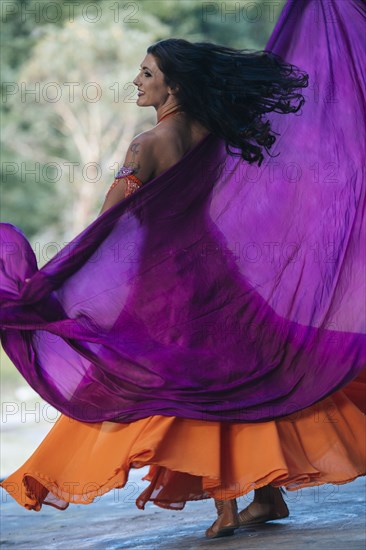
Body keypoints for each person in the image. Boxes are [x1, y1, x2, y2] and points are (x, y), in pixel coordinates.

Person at [1, 0, 365, 542]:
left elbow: (110, 222)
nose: (136, 81)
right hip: (219, 274)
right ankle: (264, 496)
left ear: (173, 87)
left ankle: (227, 507)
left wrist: (59, 277)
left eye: (147, 74)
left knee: (190, 383)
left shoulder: (145, 146)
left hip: (166, 285)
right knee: (243, 372)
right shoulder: (213, 137)